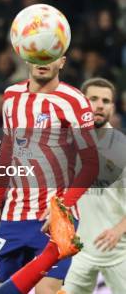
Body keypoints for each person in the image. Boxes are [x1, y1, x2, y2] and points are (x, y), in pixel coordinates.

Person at [0, 57, 99, 293]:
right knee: (4, 289)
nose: (42, 60)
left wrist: (63, 208)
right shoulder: (11, 96)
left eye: (50, 55)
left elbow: (91, 164)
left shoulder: (74, 101)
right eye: (37, 53)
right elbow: (7, 149)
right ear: (26, 56)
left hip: (54, 215)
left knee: (47, 290)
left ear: (63, 61)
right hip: (14, 215)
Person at [62, 78, 126, 293]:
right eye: (94, 99)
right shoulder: (65, 143)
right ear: (81, 102)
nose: (99, 105)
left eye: (106, 101)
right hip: (76, 249)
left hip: (119, 250)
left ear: (112, 107)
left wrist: (119, 229)